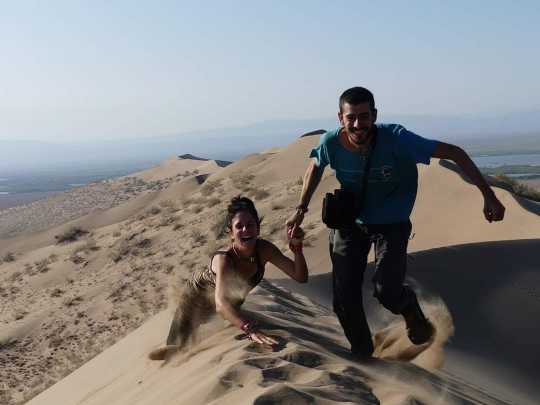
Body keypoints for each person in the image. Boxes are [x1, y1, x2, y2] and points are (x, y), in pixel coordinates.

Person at [286, 86, 505, 358]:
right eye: (351, 117)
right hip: (350, 222)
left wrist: (488, 195)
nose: (357, 124)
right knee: (344, 297)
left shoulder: (398, 139)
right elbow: (315, 166)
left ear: (374, 115)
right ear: (340, 118)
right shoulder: (330, 142)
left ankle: (409, 307)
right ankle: (363, 356)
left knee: (387, 291)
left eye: (364, 116)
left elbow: (455, 153)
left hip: (391, 223)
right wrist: (301, 208)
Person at [149, 196, 308, 360]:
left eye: (250, 225)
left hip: (225, 308)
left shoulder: (264, 249)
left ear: (258, 229)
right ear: (231, 233)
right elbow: (221, 304)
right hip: (193, 304)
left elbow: (300, 276)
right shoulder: (224, 260)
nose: (245, 229)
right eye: (239, 226)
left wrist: (297, 247)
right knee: (174, 352)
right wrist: (249, 329)